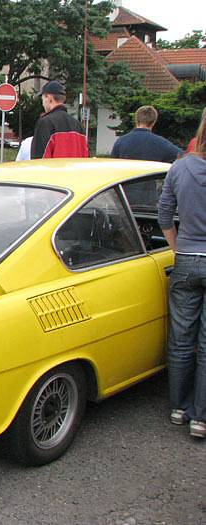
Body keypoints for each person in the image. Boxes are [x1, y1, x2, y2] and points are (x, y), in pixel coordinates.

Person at [158, 107, 206, 440]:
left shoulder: (180, 168)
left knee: (180, 338)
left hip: (186, 258)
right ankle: (200, 418)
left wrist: (177, 248)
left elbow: (164, 215)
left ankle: (178, 407)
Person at [30, 81, 88, 159]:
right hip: (76, 171)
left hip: (53, 171)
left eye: (43, 99)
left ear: (49, 98)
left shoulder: (45, 123)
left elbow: (39, 160)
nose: (43, 104)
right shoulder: (79, 126)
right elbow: (85, 158)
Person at [111, 105, 183, 162]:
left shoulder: (121, 142)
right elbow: (183, 156)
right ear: (153, 122)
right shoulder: (161, 143)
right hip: (149, 179)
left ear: (136, 120)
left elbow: (113, 164)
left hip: (126, 180)